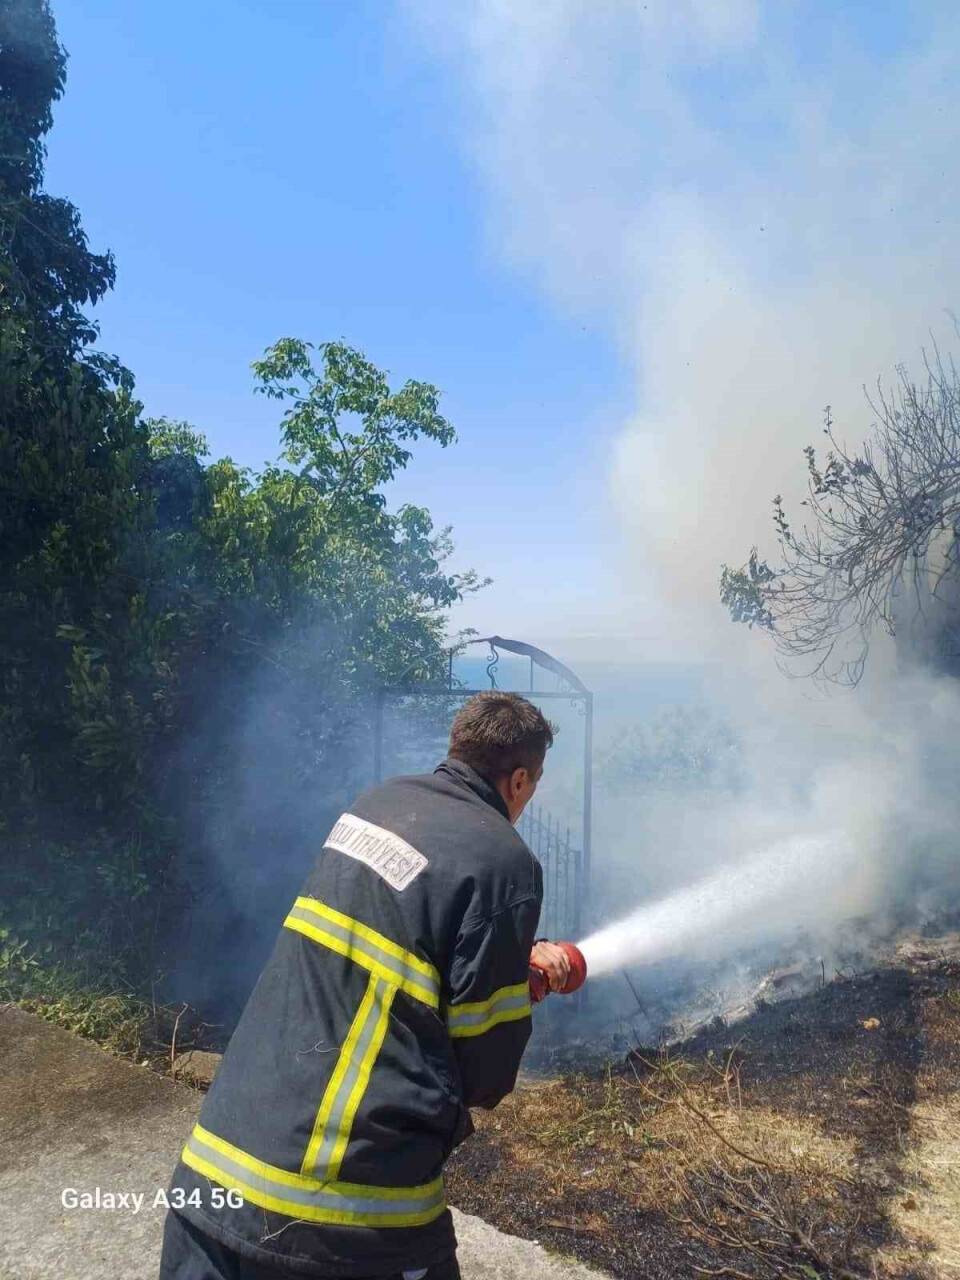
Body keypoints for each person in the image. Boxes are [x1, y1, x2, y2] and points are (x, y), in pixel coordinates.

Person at [159, 690, 570, 1280]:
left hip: (216, 1169)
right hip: (339, 1216)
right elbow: (484, 1073)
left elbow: (392, 947)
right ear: (520, 779)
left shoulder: (376, 806)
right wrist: (508, 984)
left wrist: (499, 964)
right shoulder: (504, 861)